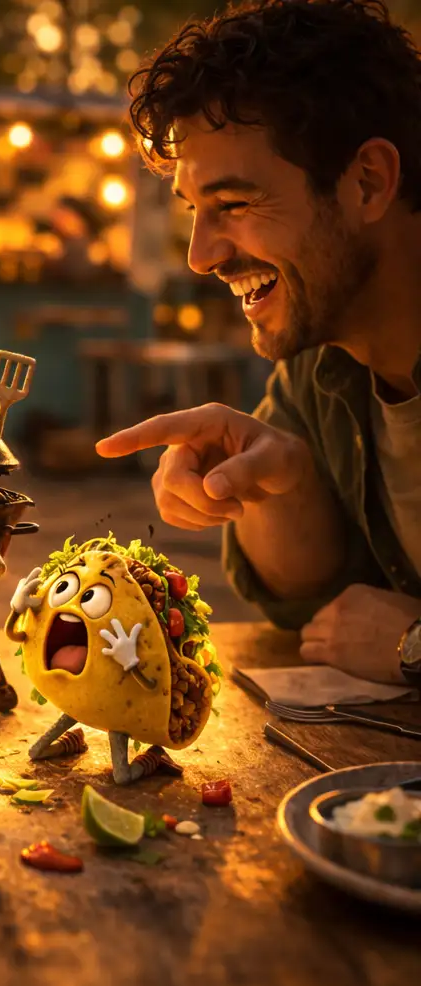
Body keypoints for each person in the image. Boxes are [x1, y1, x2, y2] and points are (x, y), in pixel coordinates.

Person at [96, 0, 421, 683]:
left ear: (368, 182)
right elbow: (315, 609)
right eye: (195, 211)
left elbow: (388, 639)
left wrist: (417, 646)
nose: (200, 255)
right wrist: (280, 481)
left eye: (235, 205)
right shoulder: (318, 368)